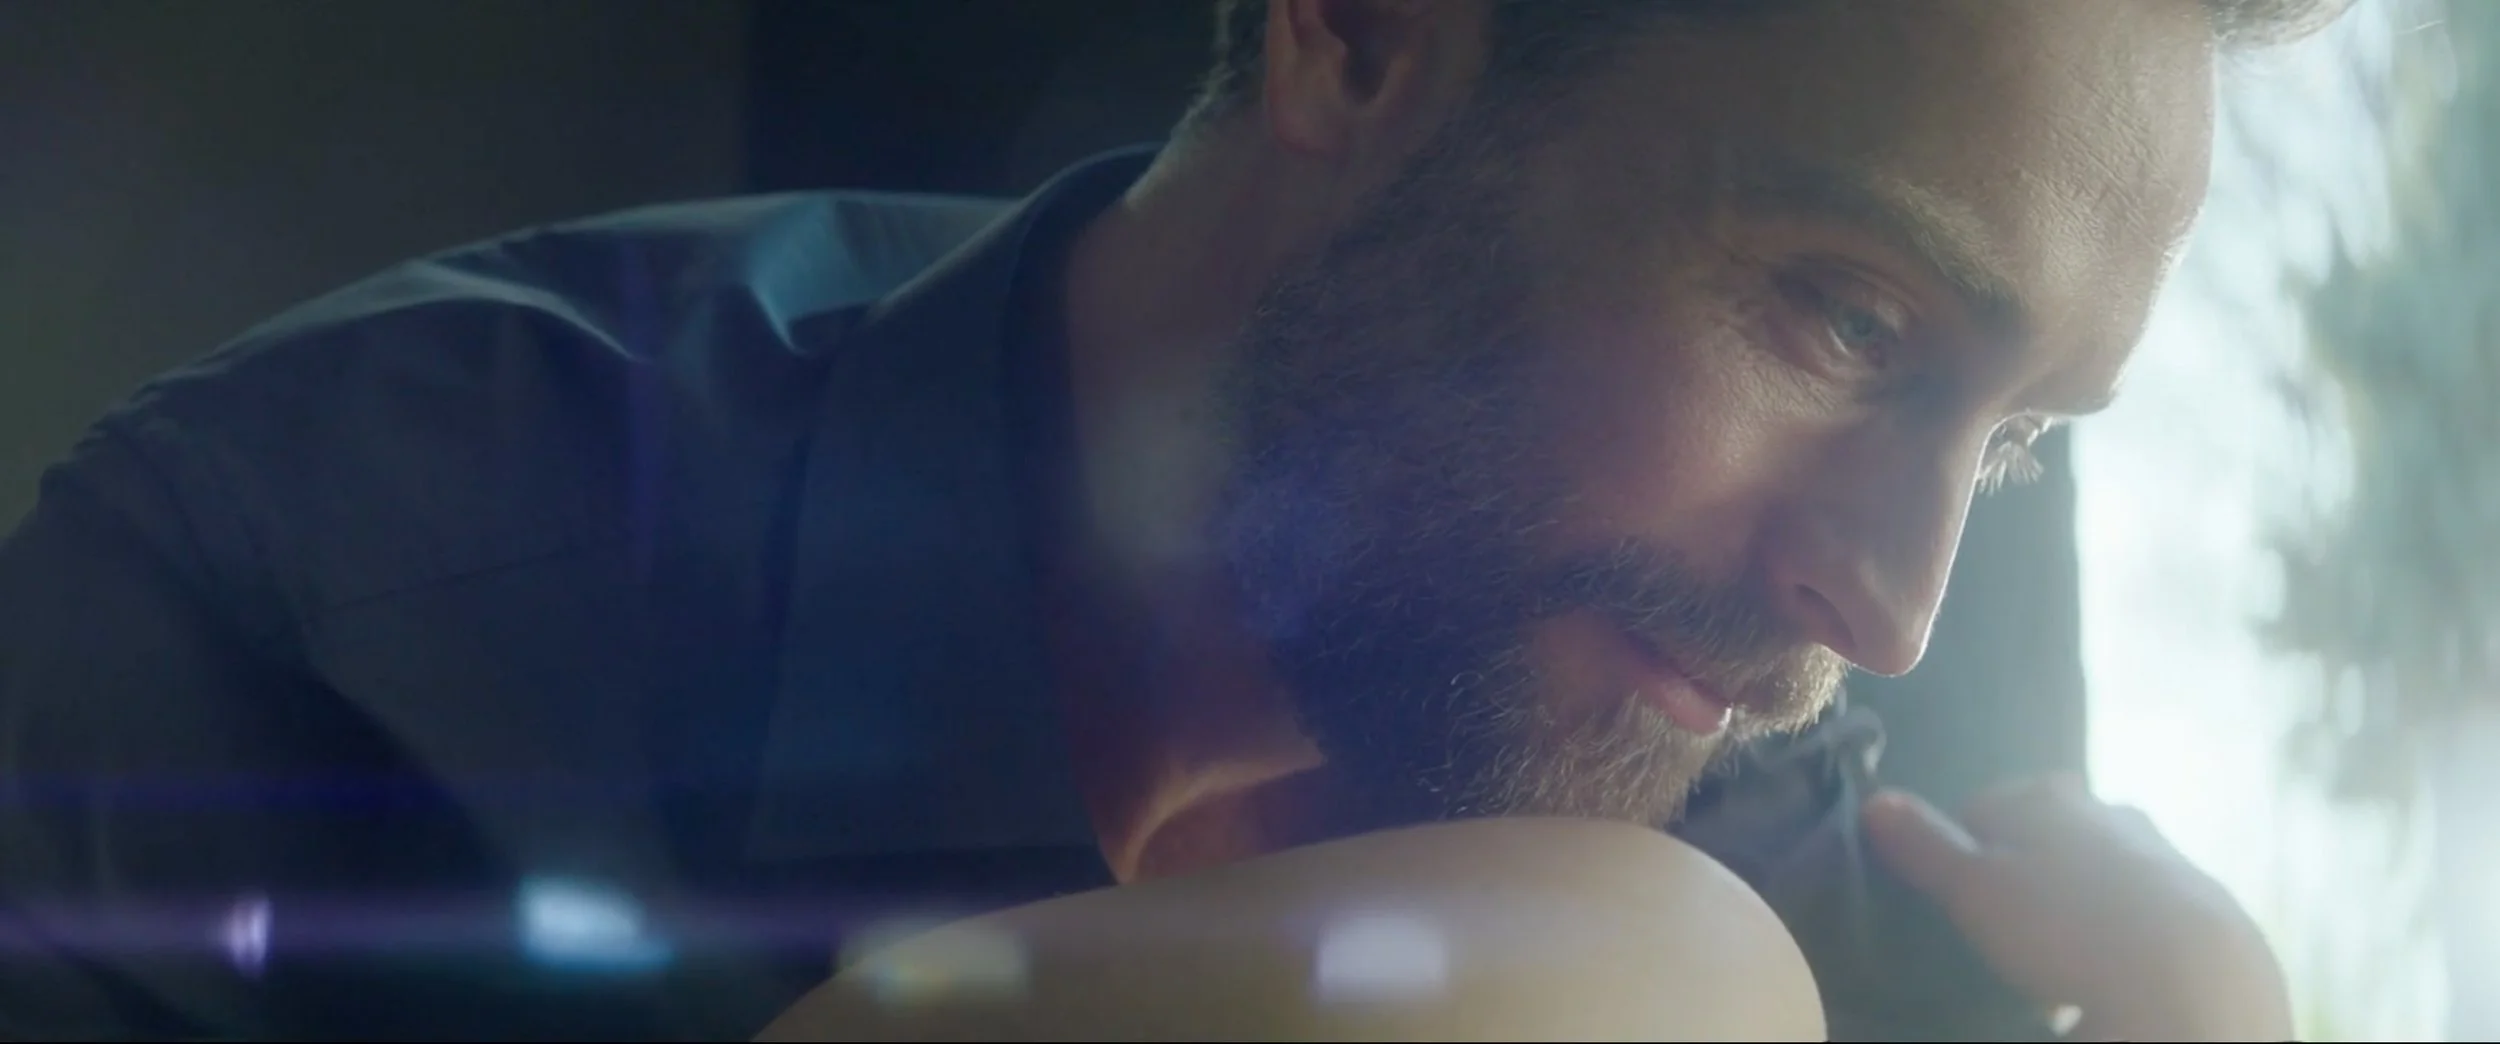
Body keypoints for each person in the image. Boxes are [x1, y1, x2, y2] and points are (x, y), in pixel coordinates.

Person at [0, 0, 2347, 1039]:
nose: (1897, 604)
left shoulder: (1752, 810)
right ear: (1357, 27)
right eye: (1839, 319)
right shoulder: (314, 618)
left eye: (2015, 438)